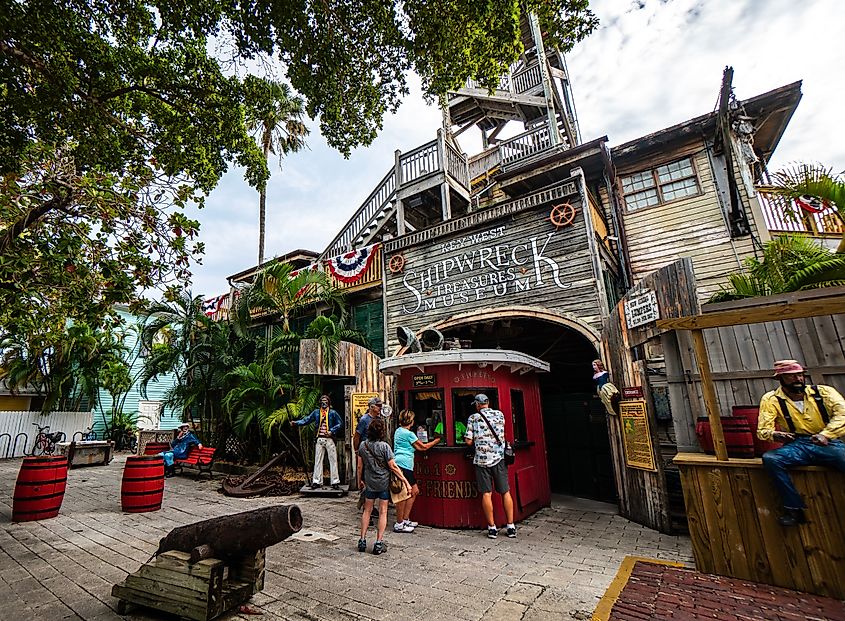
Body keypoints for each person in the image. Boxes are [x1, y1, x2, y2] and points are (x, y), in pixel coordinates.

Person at [757, 359, 845, 526]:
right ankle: (793, 508)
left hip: (828, 442)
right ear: (781, 379)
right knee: (772, 459)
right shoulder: (771, 399)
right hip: (798, 444)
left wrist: (826, 434)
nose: (797, 379)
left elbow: (843, 414)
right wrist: (775, 435)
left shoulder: (824, 392)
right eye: (791, 376)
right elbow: (763, 429)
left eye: (800, 375)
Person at [465, 394, 516, 539]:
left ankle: (492, 528)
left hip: (482, 460)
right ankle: (511, 526)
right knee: (505, 492)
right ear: (488, 403)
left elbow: (469, 441)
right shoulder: (500, 414)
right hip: (499, 458)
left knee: (487, 493)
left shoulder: (473, 418)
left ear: (477, 404)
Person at [357, 417, 410, 555]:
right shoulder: (384, 447)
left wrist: (359, 481)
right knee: (383, 511)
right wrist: (405, 481)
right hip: (383, 483)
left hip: (369, 483)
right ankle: (378, 543)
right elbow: (393, 466)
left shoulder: (363, 446)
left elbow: (359, 466)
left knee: (367, 511)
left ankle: (362, 540)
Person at [393, 409, 440, 532]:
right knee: (405, 494)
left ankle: (405, 519)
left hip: (401, 463)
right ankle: (400, 523)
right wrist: (436, 440)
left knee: (413, 491)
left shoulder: (398, 431)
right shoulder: (409, 434)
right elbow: (423, 447)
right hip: (405, 465)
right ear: (411, 421)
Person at [293, 394, 343, 490]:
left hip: (329, 439)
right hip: (319, 439)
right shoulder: (316, 413)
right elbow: (306, 420)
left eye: (326, 401)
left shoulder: (333, 413)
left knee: (333, 461)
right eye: (322, 401)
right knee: (318, 461)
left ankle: (335, 481)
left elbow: (340, 423)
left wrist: (332, 431)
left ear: (329, 402)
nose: (324, 403)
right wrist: (296, 423)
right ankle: (317, 481)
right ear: (320, 402)